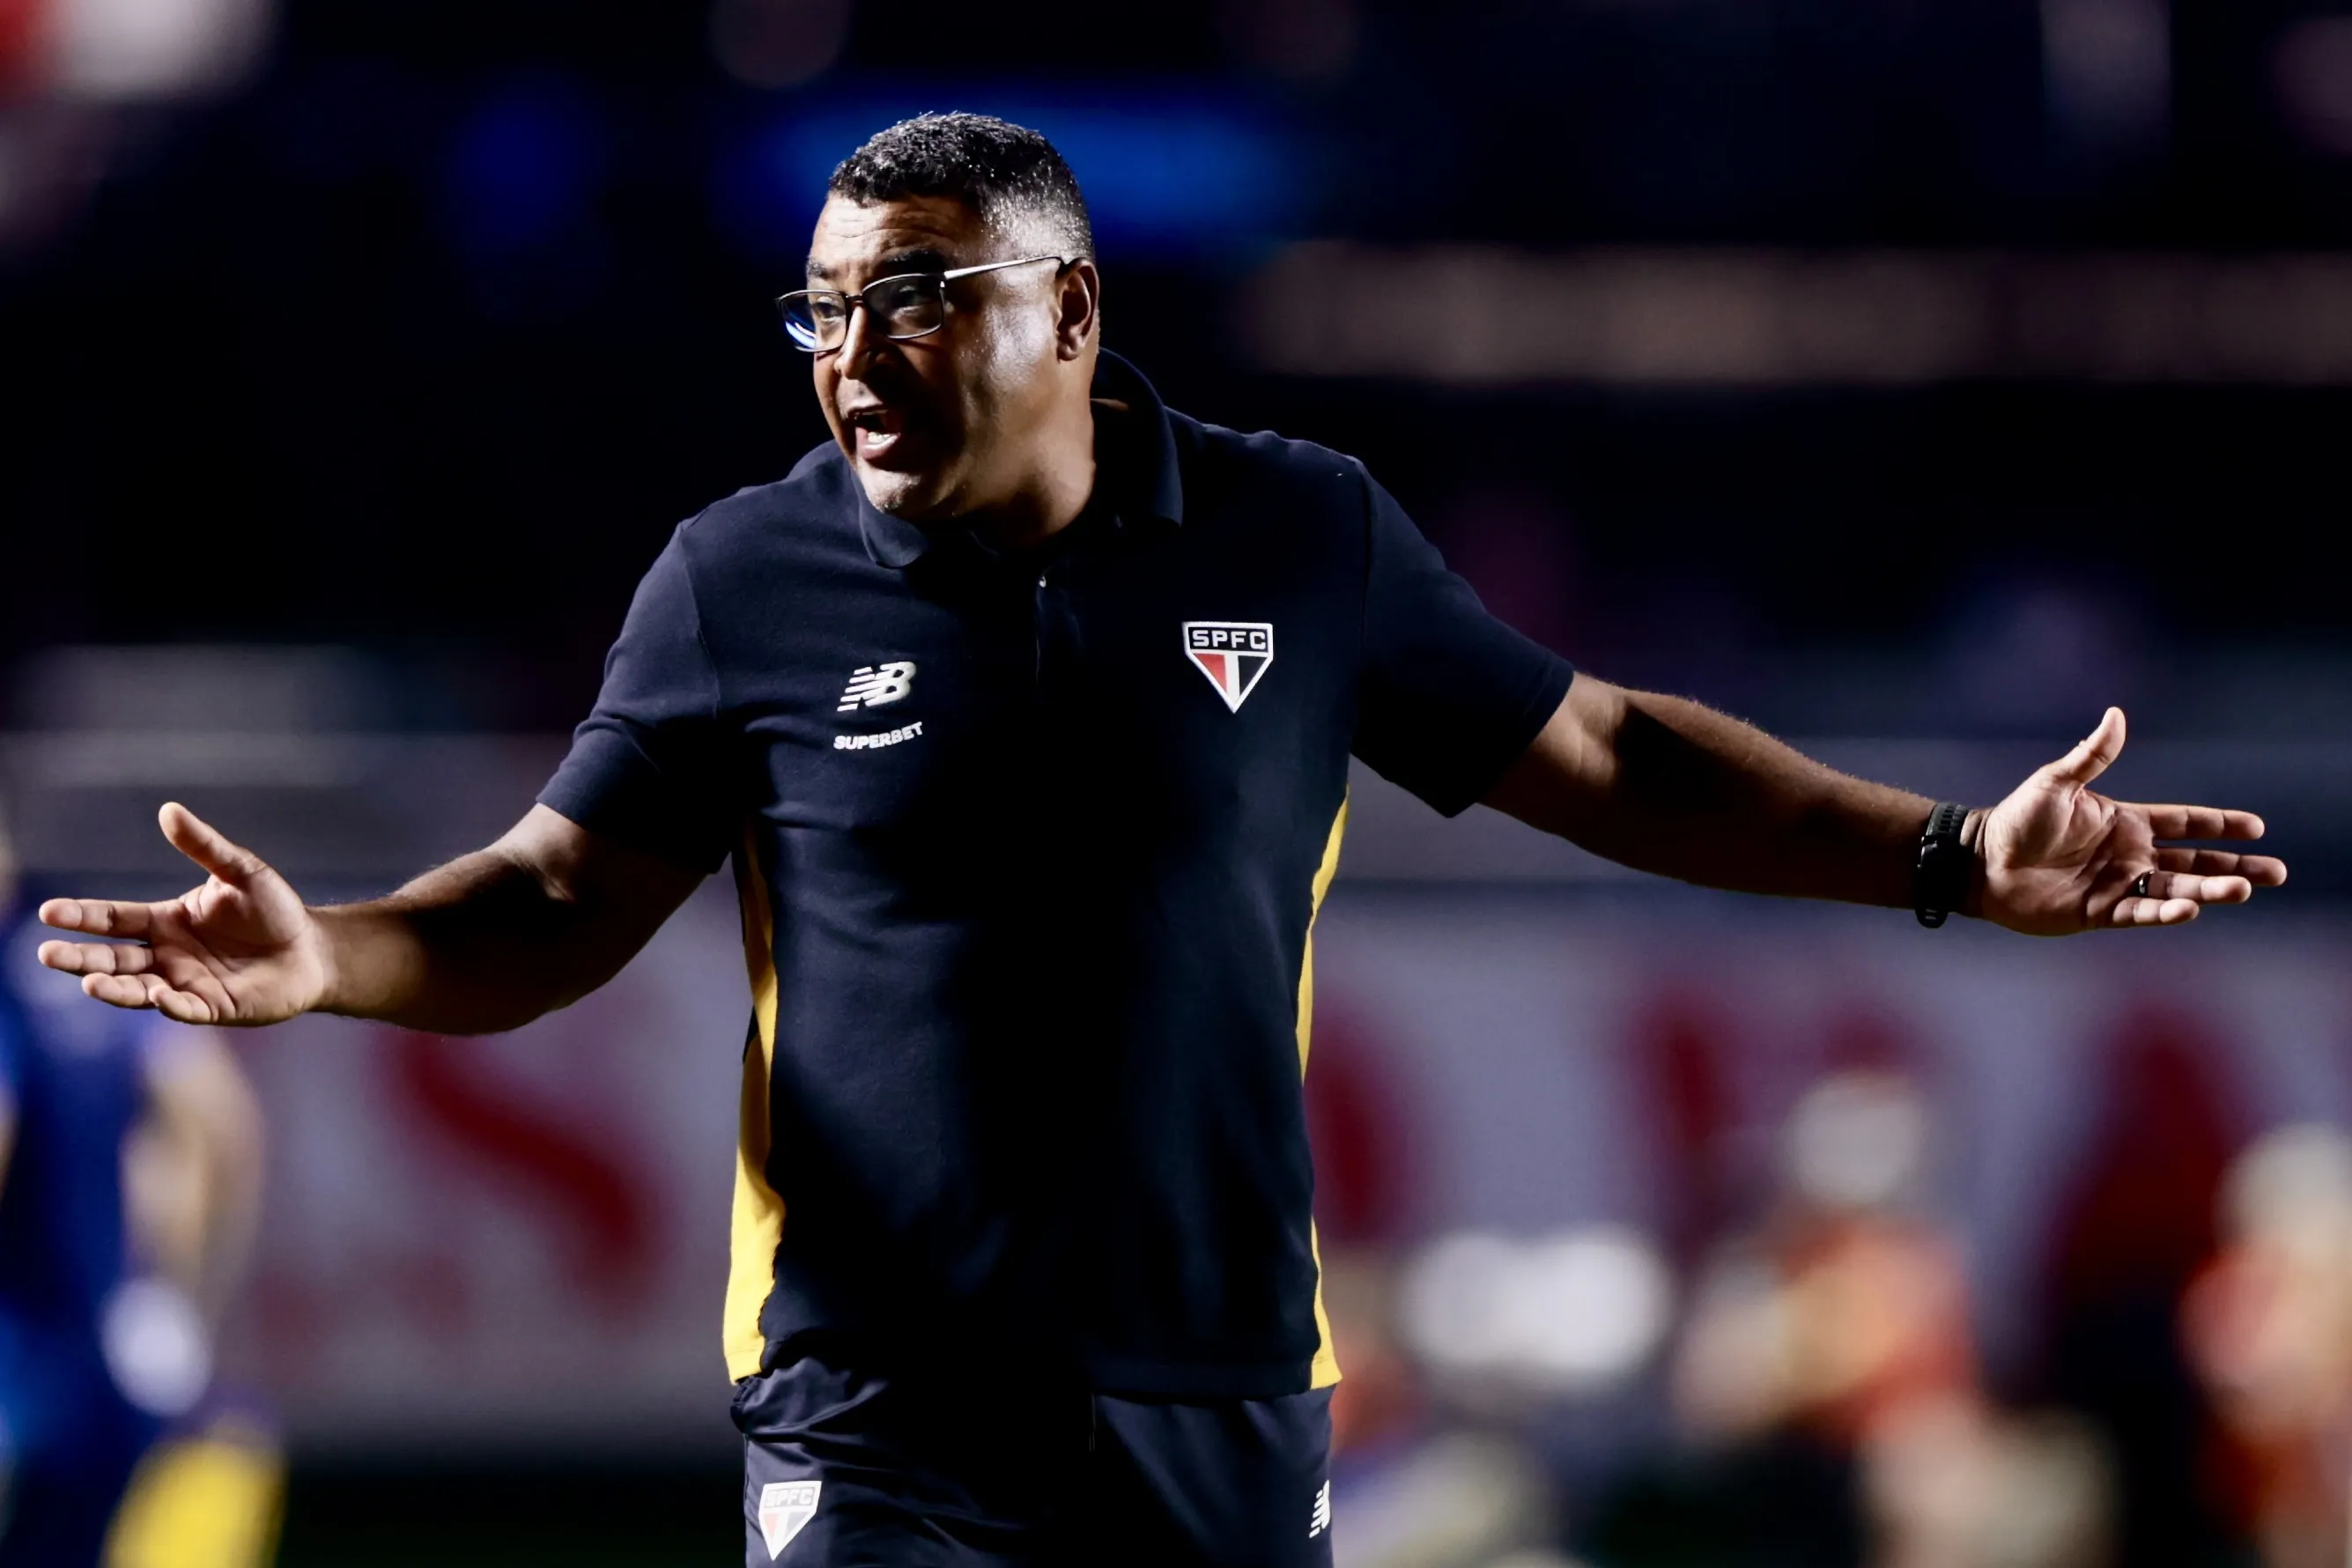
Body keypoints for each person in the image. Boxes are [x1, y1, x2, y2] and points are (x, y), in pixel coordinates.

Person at [33, 114, 2285, 1567]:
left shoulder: (1295, 533)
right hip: (876, 1415)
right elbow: (548, 899)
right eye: (823, 309)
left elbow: (1588, 747)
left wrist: (1935, 855)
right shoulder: (742, 577)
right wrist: (333, 953)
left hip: (1216, 1413)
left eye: (914, 297)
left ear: (1068, 313)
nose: (853, 354)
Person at [0, 791, 270, 1566]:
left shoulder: (44, 966)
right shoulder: (80, 947)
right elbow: (220, 1130)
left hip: (49, 1361)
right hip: (125, 1350)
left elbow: (214, 1131)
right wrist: (188, 1304)